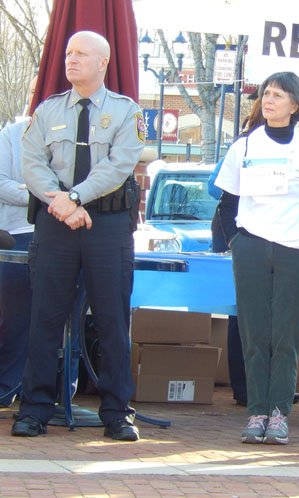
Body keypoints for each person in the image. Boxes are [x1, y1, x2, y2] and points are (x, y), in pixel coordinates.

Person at [12, 31, 144, 441]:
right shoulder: (47, 111)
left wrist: (74, 197)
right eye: (69, 53)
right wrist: (63, 205)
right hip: (56, 224)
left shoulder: (126, 112)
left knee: (111, 319)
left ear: (103, 62)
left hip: (106, 226)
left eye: (81, 53)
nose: (71, 59)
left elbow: (119, 165)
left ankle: (117, 412)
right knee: (45, 317)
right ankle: (34, 410)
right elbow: (32, 162)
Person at [215, 72, 299, 445]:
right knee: (253, 332)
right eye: (266, 94)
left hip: (295, 251)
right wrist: (237, 242)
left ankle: (279, 412)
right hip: (251, 247)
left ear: (295, 105)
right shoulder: (243, 147)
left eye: (278, 95)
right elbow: (227, 203)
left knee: (285, 335)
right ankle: (256, 412)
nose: (269, 100)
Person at [208, 98, 264, 407]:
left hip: (265, 231)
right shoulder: (243, 145)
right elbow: (214, 187)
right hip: (235, 228)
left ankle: (260, 384)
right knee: (240, 309)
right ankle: (244, 387)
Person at [0, 119, 32, 407]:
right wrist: (43, 196)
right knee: (13, 318)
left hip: (68, 234)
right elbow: (1, 184)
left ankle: (54, 391)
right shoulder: (11, 134)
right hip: (17, 235)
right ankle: (7, 387)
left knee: (61, 320)